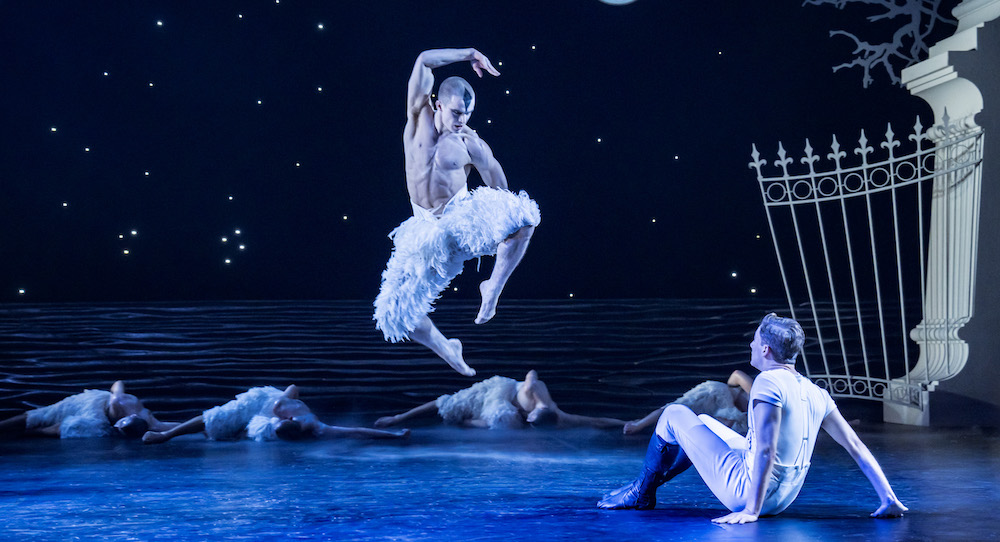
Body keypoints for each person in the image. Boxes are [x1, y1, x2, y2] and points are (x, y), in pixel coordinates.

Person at [597, 313, 907, 523]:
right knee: (703, 422)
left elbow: (766, 449)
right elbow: (854, 444)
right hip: (786, 496)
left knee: (674, 413)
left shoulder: (767, 382)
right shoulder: (815, 391)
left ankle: (640, 492)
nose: (750, 345)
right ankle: (643, 489)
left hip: (749, 492)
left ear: (767, 349)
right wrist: (888, 498)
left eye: (755, 341)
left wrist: (750, 510)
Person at [373, 48, 541, 377]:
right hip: (425, 233)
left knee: (525, 216)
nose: (461, 120)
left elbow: (503, 192)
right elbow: (422, 60)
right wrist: (470, 54)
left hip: (462, 222)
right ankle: (448, 348)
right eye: (456, 112)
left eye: (467, 114)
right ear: (438, 104)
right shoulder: (417, 116)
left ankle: (492, 288)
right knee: (392, 316)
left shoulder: (469, 142)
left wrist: (481, 152)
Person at [142, 384, 408, 444]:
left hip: (259, 420)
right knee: (216, 418)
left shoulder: (316, 429)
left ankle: (162, 425)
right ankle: (167, 433)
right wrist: (393, 433)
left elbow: (356, 431)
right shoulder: (310, 421)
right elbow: (293, 387)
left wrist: (393, 435)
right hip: (260, 400)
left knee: (219, 432)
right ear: (289, 420)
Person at [374, 370, 626, 430]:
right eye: (531, 416)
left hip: (505, 408)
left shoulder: (558, 416)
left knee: (502, 421)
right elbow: (531, 373)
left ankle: (469, 422)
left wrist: (627, 423)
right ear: (537, 409)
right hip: (501, 391)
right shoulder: (534, 391)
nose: (527, 418)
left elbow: (593, 420)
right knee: (449, 404)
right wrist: (530, 386)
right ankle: (399, 417)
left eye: (530, 420)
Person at [0, 380, 176, 439]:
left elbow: (169, 428)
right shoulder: (119, 402)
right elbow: (118, 384)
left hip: (96, 423)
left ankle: (28, 433)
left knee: (61, 428)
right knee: (40, 415)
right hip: (94, 405)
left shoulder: (149, 422)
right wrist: (114, 395)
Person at [623, 370, 753, 436]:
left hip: (729, 419)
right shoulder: (758, 393)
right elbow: (736, 375)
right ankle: (639, 424)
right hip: (718, 396)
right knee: (677, 408)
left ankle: (646, 424)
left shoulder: (768, 415)